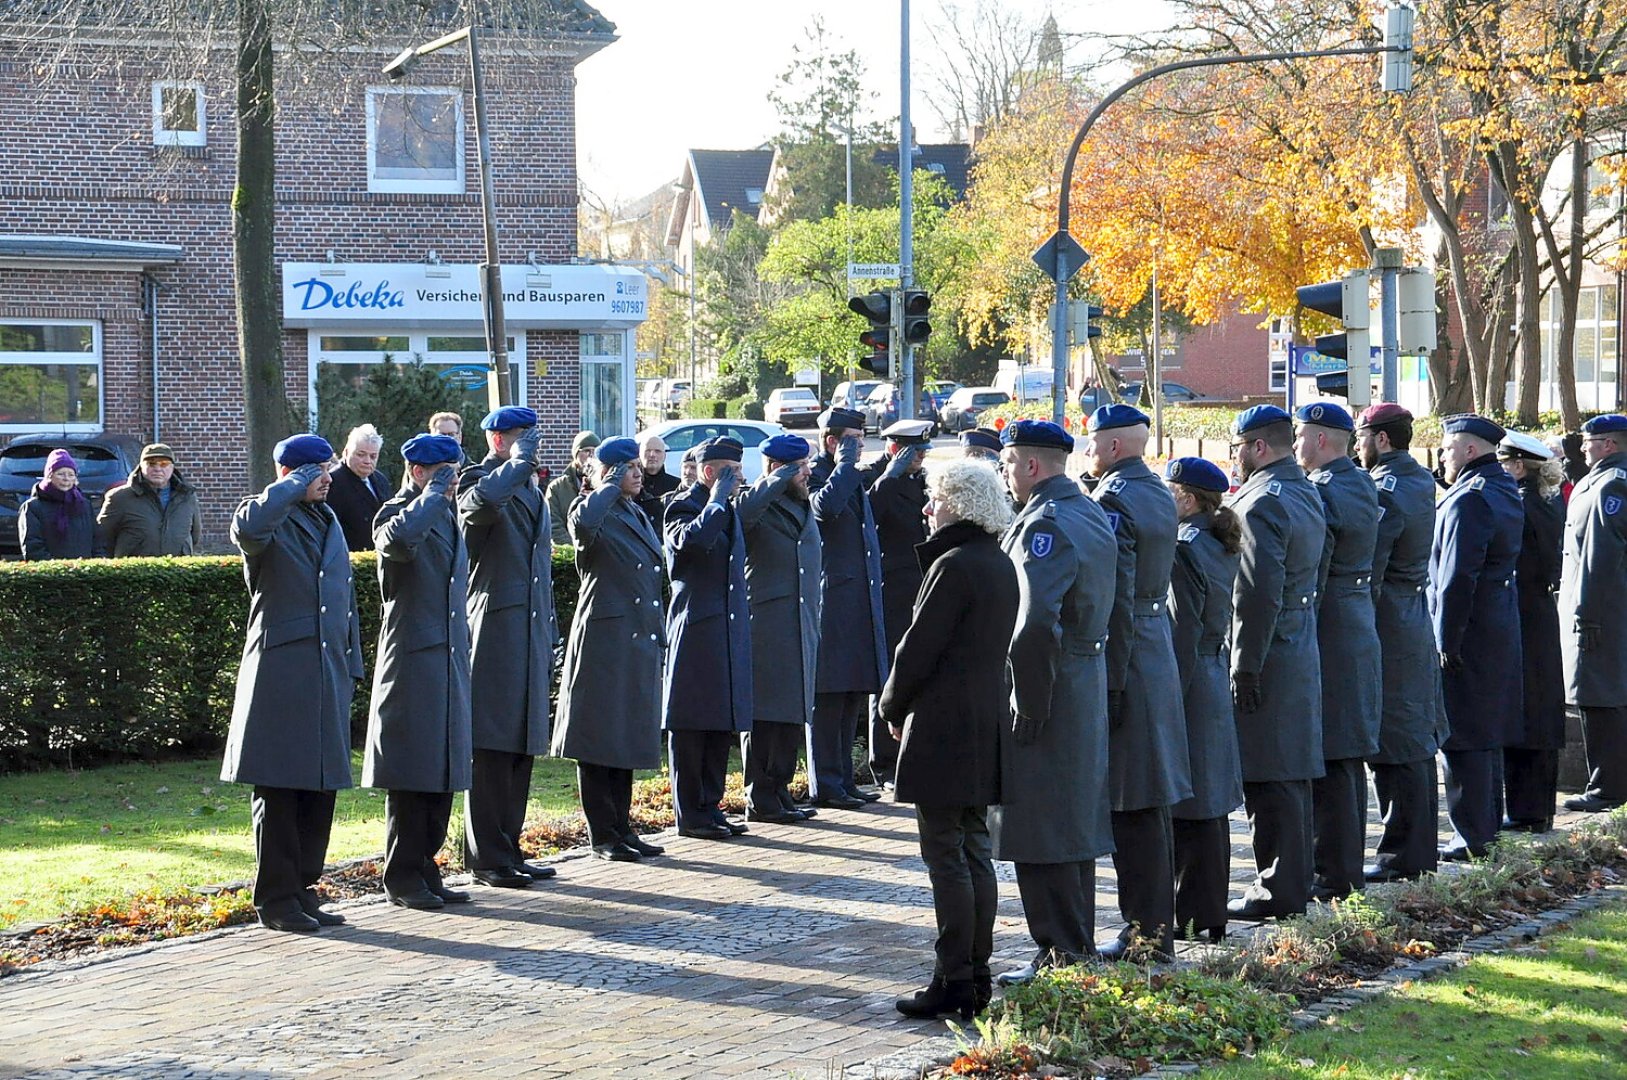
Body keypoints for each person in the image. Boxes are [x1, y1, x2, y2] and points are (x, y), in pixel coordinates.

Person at [882, 459, 1018, 1021]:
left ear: (958, 504)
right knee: (973, 848)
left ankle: (954, 977)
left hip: (944, 724)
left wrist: (892, 705)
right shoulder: (998, 562)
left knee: (947, 853)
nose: (926, 508)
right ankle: (975, 972)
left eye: (934, 499)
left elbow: (918, 649)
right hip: (983, 719)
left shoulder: (954, 565)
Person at [993, 420, 1118, 983]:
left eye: (1009, 464)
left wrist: (1029, 697)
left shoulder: (1044, 523)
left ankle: (1061, 951)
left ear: (1031, 466)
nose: (1006, 475)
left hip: (1051, 680)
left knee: (1041, 822)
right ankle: (1072, 945)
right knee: (1069, 821)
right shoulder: (1087, 509)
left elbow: (1034, 623)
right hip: (1084, 674)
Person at [221, 434, 362, 932]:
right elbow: (248, 527)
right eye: (317, 470)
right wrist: (290, 484)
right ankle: (276, 898)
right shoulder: (266, 517)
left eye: (326, 468)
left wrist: (353, 663)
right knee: (280, 788)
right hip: (281, 670)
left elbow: (344, 597)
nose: (328, 477)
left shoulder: (326, 518)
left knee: (319, 788)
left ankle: (302, 888)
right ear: (290, 475)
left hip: (327, 669)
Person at [1080, 404, 1191, 959]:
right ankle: (1151, 928)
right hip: (1156, 646)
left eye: (1094, 441)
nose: (1089, 449)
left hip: (1132, 656)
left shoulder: (1115, 499)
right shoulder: (1153, 490)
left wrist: (1113, 680)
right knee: (1149, 804)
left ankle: (1146, 933)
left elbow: (1117, 596)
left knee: (1135, 805)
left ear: (1115, 446)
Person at [1226, 404, 1326, 920]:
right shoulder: (1305, 488)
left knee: (1269, 773)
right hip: (1298, 640)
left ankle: (1279, 887)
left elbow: (1255, 593)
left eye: (1239, 447)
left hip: (1269, 650)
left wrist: (1244, 664)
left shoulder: (1261, 501)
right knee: (1290, 771)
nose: (1236, 457)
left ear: (1258, 447)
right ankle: (1291, 881)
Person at [364, 434, 472, 910]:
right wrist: (430, 497)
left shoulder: (446, 513)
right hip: (412, 654)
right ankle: (402, 873)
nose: (451, 483)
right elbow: (400, 543)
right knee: (412, 770)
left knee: (443, 766)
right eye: (442, 473)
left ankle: (427, 865)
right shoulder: (394, 513)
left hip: (447, 653)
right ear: (417, 471)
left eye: (454, 472)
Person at [456, 406, 560, 888]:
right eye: (521, 438)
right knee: (491, 748)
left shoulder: (530, 488)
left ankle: (509, 847)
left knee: (520, 749)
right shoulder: (476, 479)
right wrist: (518, 464)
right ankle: (485, 856)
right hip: (494, 630)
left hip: (530, 631)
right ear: (499, 440)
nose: (530, 447)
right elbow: (479, 508)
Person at [553, 438, 668, 861]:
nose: (636, 474)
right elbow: (583, 527)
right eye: (625, 468)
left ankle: (622, 826)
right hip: (604, 639)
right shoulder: (589, 507)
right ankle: (602, 833)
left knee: (626, 736)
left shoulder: (633, 511)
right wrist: (607, 483)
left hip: (635, 636)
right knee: (599, 738)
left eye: (636, 467)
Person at [1293, 402, 1382, 901]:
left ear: (1322, 440)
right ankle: (1342, 868)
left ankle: (1334, 872)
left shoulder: (1324, 491)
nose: (1298, 445)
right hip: (1355, 618)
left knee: (1331, 754)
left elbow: (1316, 566)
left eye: (1302, 436)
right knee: (1344, 755)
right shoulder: (1360, 481)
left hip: (1330, 626)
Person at [1355, 404, 1445, 883]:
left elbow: (1371, 564)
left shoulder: (1385, 488)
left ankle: (1402, 855)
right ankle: (1414, 851)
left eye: (1362, 437)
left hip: (1390, 617)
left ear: (1382, 440)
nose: (1357, 446)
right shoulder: (1415, 479)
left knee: (1397, 738)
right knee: (1410, 735)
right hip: (1411, 611)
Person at [1431, 414, 1524, 860]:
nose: (1443, 457)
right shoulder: (1502, 487)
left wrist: (1445, 640)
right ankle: (1484, 826)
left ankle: (1471, 833)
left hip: (1467, 630)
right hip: (1496, 623)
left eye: (1448, 449)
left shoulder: (1470, 498)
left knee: (1463, 733)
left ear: (1470, 450)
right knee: (1485, 731)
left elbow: (1455, 577)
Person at [1162, 457, 1244, 943]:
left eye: (1170, 492)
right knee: (1209, 804)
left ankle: (1193, 913)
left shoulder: (1184, 548)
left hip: (1192, 680)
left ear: (1188, 500)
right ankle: (1207, 912)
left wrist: (1170, 694)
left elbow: (1181, 629)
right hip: (1213, 672)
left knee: (1190, 804)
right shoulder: (1216, 542)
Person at [663, 437, 754, 840]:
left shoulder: (727, 509)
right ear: (709, 472)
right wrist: (715, 500)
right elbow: (691, 543)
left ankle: (710, 804)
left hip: (725, 626)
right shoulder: (682, 507)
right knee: (692, 723)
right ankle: (690, 811)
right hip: (695, 628)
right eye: (731, 472)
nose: (739, 479)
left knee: (719, 721)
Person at [736, 434, 824, 824]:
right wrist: (774, 479)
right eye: (799, 467)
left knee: (792, 711)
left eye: (806, 465)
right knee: (766, 712)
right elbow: (741, 515)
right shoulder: (756, 502)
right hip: (768, 620)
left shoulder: (800, 502)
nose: (808, 473)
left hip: (800, 618)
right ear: (777, 468)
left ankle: (780, 787)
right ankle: (760, 793)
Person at [806, 407, 890, 810]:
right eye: (853, 439)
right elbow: (824, 508)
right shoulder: (817, 472)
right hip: (832, 599)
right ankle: (825, 780)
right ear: (832, 441)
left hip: (857, 599)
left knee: (852, 690)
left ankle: (843, 777)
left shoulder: (849, 472)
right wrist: (844, 464)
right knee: (829, 695)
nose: (860, 446)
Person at [1495, 430, 1566, 832]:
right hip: (1539, 610)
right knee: (1539, 707)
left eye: (1505, 464)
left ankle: (1526, 810)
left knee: (1526, 709)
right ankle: (1536, 808)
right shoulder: (1546, 501)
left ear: (1519, 466)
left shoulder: (1521, 505)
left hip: (1523, 611)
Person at [1558, 414, 1627, 813]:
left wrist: (1587, 613)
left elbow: (1599, 557)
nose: (1584, 447)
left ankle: (1608, 787)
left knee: (1600, 696)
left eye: (1589, 441)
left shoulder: (1611, 487)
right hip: (1604, 606)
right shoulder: (1601, 481)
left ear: (1609, 445)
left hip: (1603, 609)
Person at [861, 418, 933, 789]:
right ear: (894, 448)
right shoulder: (879, 478)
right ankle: (884, 762)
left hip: (918, 586)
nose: (921, 457)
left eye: (922, 451)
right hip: (891, 588)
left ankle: (910, 752)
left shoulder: (916, 480)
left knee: (913, 667)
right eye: (914, 451)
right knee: (888, 670)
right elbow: (869, 513)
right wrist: (891, 473)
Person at [97, 443, 203, 557]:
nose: (157, 469)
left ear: (172, 467)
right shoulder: (120, 498)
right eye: (151, 464)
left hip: (178, 571)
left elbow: (194, 535)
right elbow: (102, 537)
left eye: (164, 464)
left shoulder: (187, 496)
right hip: (136, 571)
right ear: (141, 466)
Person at [19, 448, 104, 560]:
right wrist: (59, 570)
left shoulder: (84, 505)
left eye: (71, 475)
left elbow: (97, 542)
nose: (66, 479)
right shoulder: (33, 507)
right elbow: (33, 548)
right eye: (61, 474)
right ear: (49, 476)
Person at [326, 424, 393, 552]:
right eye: (361, 455)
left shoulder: (380, 479)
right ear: (346, 452)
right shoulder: (332, 482)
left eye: (373, 456)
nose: (367, 461)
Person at [546, 431, 600, 545]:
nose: (591, 456)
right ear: (576, 454)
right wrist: (572, 550)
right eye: (586, 451)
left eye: (595, 451)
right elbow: (553, 524)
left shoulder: (604, 486)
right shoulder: (557, 488)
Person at [634, 432, 680, 532]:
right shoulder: (631, 485)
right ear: (640, 455)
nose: (652, 455)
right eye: (648, 450)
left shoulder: (676, 486)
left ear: (664, 456)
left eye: (657, 451)